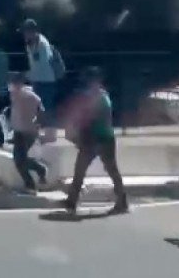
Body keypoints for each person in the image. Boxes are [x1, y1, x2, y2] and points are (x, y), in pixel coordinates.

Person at [61, 66, 128, 215]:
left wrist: (79, 134)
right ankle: (72, 200)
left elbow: (90, 119)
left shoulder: (97, 98)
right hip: (103, 137)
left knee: (90, 169)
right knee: (104, 170)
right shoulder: (102, 95)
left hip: (97, 138)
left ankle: (72, 201)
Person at [7, 72, 48, 193]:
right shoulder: (16, 95)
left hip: (27, 132)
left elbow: (41, 111)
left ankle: (33, 179)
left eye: (15, 83)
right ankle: (37, 173)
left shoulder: (29, 95)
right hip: (20, 131)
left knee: (19, 160)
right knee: (20, 159)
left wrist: (38, 124)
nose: (13, 86)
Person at [21, 19, 62, 136]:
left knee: (45, 107)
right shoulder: (32, 43)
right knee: (39, 108)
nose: (24, 34)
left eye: (26, 31)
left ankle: (49, 134)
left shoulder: (42, 44)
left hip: (45, 81)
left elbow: (40, 66)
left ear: (32, 31)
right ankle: (40, 133)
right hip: (38, 80)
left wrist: (25, 75)